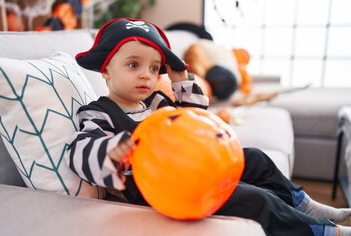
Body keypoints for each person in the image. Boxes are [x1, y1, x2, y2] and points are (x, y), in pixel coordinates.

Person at [65, 18, 351, 236]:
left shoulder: (156, 102)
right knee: (255, 198)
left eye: (154, 68)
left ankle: (305, 204)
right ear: (105, 70)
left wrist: (180, 78)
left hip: (190, 168)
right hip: (160, 190)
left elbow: (195, 119)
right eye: (133, 65)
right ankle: (323, 231)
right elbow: (79, 150)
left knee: (255, 158)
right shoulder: (99, 112)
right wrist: (112, 149)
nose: (146, 75)